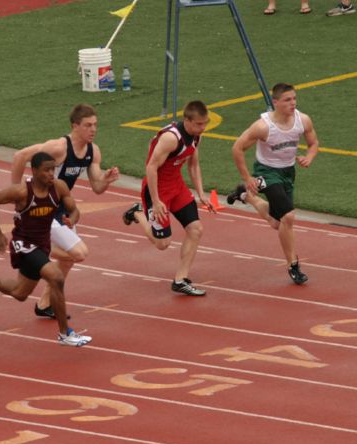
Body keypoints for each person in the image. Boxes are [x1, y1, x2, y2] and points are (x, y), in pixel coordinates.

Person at [0, 152, 91, 347]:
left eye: (53, 169)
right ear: (35, 171)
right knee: (56, 277)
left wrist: (72, 219)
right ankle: (65, 333)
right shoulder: (22, 192)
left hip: (43, 244)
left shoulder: (59, 188)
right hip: (24, 245)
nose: (51, 174)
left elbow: (74, 209)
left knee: (20, 293)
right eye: (46, 170)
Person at [11, 104, 119, 320]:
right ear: (75, 126)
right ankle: (33, 249)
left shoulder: (92, 151)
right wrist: (16, 192)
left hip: (60, 208)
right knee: (78, 253)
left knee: (68, 261)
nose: (93, 129)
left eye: (95, 125)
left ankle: (45, 304)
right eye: (88, 125)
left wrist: (106, 180)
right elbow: (20, 156)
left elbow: (96, 187)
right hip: (39, 208)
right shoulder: (59, 147)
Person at [227, 83, 319, 285]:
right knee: (288, 216)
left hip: (288, 173)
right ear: (275, 103)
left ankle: (246, 195)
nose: (293, 103)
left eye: (294, 98)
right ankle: (293, 265)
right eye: (287, 100)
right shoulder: (263, 126)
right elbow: (237, 148)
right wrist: (247, 177)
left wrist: (309, 157)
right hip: (267, 171)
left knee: (277, 222)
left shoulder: (302, 120)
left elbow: (313, 143)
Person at [122, 100, 213, 296]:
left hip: (177, 186)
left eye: (205, 123)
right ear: (187, 120)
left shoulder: (196, 137)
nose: (203, 127)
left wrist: (201, 193)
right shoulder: (171, 139)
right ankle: (138, 212)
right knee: (163, 244)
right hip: (157, 189)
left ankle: (180, 280)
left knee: (196, 229)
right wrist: (155, 201)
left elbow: (193, 165)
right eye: (199, 124)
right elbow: (151, 167)